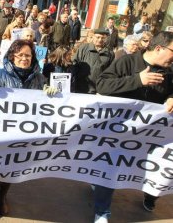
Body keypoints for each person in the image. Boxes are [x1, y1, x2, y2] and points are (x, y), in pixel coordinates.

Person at [94, 31, 173, 223]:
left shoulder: (170, 71)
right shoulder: (127, 62)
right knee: (110, 168)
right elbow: (102, 85)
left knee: (159, 166)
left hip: (151, 134)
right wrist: (138, 80)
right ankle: (102, 212)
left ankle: (151, 195)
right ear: (159, 48)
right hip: (120, 131)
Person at [0, 39, 56, 222]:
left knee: (13, 167)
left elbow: (48, 104)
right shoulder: (0, 74)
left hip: (24, 133)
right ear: (12, 56)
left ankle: (2, 197)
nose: (24, 58)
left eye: (28, 55)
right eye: (20, 54)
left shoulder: (39, 78)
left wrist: (50, 92)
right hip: (2, 132)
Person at [72, 29, 114, 94]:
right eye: (98, 37)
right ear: (93, 37)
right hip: (80, 87)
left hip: (97, 89)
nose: (100, 40)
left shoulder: (110, 53)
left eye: (103, 38)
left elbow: (110, 72)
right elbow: (74, 63)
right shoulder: (84, 48)